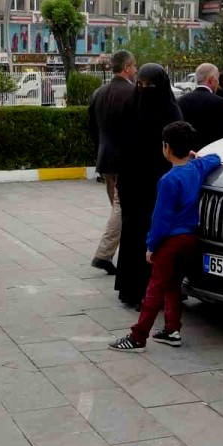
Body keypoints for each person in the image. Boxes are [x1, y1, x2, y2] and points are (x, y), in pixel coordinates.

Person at [109, 121, 221, 352]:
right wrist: (195, 156)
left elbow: (161, 218)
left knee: (155, 288)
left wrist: (151, 245)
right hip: (189, 239)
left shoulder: (169, 180)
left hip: (170, 241)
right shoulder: (196, 169)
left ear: (166, 148)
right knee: (173, 285)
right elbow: (215, 158)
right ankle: (172, 329)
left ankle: (138, 336)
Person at [115, 63, 183, 309]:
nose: (143, 90)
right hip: (134, 184)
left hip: (158, 185)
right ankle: (134, 289)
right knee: (134, 234)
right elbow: (121, 146)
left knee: (154, 236)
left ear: (161, 86)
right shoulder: (132, 106)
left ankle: (149, 290)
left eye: (149, 86)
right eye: (140, 85)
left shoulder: (169, 112)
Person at [88, 50, 137, 276]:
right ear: (127, 67)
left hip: (105, 159)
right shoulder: (134, 92)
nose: (136, 71)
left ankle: (118, 253)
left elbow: (92, 128)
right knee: (121, 208)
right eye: (134, 66)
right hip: (126, 160)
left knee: (118, 207)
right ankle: (104, 254)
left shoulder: (99, 92)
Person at [178, 63, 223, 150]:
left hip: (186, 152)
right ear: (212, 80)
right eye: (217, 79)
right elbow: (222, 134)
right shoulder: (218, 102)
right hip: (209, 152)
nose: (218, 83)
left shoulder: (181, 100)